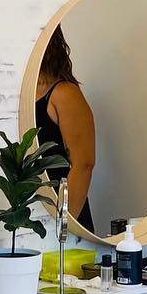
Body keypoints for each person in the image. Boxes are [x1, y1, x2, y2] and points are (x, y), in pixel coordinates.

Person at [35, 26, 97, 233]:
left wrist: (64, 226)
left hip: (63, 215)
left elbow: (83, 164)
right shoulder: (20, 94)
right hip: (33, 216)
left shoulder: (64, 94)